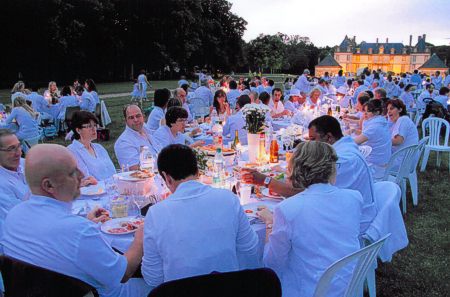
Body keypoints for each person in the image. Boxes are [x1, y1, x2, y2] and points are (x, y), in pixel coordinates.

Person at [0, 144, 149, 297]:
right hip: (98, 292)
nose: (82, 175)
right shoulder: (77, 229)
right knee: (161, 282)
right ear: (48, 185)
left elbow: (52, 245)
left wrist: (86, 223)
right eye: (72, 172)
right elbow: (124, 273)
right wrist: (141, 236)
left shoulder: (14, 215)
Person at [142, 144, 260, 290]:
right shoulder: (229, 199)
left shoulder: (155, 214)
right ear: (198, 171)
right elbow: (250, 250)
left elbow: (153, 278)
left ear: (167, 177)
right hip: (229, 289)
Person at [257, 141, 362, 297]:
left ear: (296, 168)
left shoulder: (288, 209)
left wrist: (270, 222)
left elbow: (272, 264)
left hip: (309, 289)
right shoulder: (354, 198)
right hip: (348, 284)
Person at [67, 111, 116, 182]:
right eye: (89, 126)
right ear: (78, 130)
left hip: (112, 187)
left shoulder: (99, 148)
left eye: (95, 125)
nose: (94, 129)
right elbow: (86, 178)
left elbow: (113, 172)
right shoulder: (72, 151)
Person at [0, 129, 30, 237]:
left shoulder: (24, 163)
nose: (19, 153)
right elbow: (20, 216)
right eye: (11, 149)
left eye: (18, 146)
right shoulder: (2, 184)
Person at [115, 105, 161, 170]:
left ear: (143, 117)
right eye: (131, 117)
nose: (136, 120)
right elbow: (134, 170)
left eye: (138, 116)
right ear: (126, 121)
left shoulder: (148, 132)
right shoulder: (124, 142)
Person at [354, 99, 392, 178]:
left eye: (368, 111)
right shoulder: (381, 122)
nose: (365, 113)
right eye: (364, 111)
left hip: (375, 167)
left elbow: (354, 142)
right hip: (382, 161)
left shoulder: (375, 127)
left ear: (377, 112)